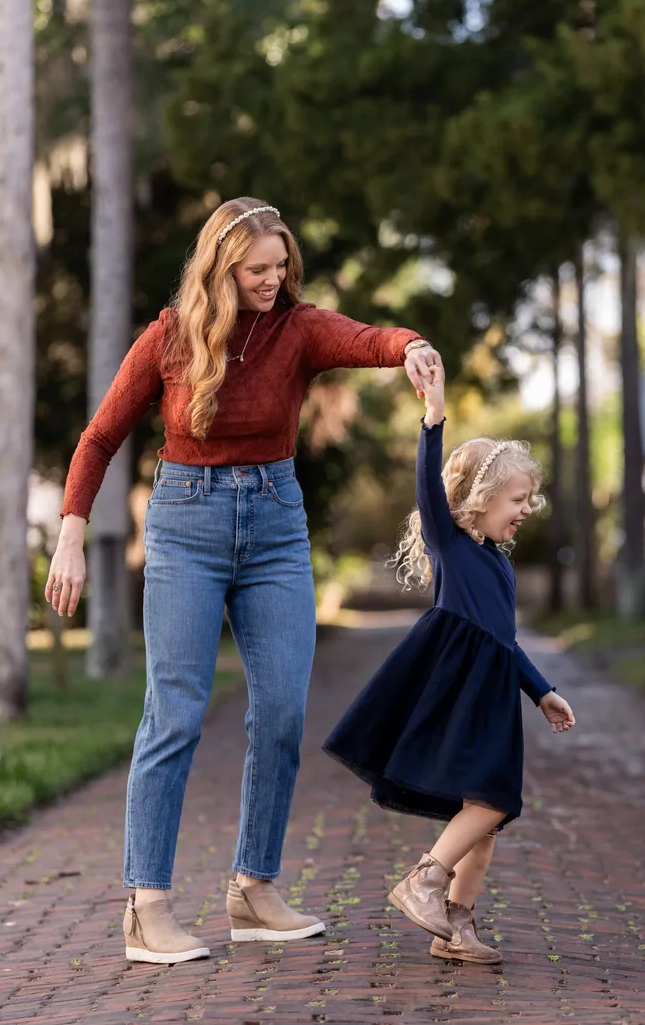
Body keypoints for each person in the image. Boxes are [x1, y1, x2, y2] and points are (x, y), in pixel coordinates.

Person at [46, 197, 442, 964]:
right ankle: (147, 906)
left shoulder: (297, 328)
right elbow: (99, 438)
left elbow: (367, 339)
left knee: (285, 711)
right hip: (186, 527)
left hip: (275, 528)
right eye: (258, 269)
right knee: (176, 712)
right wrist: (70, 535)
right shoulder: (169, 338)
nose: (273, 279)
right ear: (221, 269)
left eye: (280, 266)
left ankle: (253, 890)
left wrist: (413, 346)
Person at [324, 363, 575, 964]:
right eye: (517, 500)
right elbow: (428, 493)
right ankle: (424, 879)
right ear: (482, 500)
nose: (525, 510)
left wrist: (541, 692)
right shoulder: (454, 548)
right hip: (460, 698)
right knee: (491, 801)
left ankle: (455, 930)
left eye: (528, 501)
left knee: (484, 828)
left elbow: (505, 643)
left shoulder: (500, 564)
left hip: (491, 699)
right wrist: (433, 417)